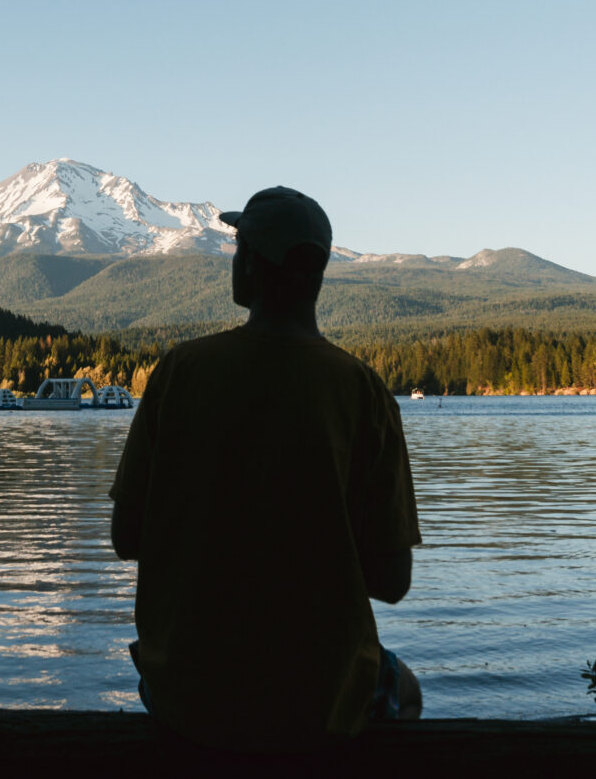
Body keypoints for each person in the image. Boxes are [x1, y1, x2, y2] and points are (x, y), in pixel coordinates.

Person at [109, 186, 422, 751]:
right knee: (405, 689)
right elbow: (392, 581)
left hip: (189, 694)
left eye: (237, 250)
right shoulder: (363, 391)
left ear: (252, 263)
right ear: (318, 275)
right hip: (320, 699)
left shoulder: (181, 372)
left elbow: (126, 537)